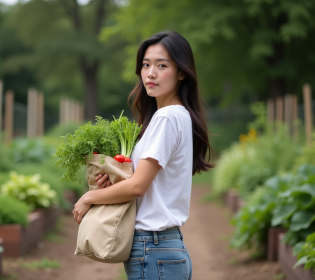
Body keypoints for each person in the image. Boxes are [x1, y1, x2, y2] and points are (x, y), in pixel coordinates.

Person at [72, 31, 214, 280]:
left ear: (182, 72)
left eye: (162, 65)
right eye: (146, 65)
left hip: (154, 249)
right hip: (161, 249)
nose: (151, 73)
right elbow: (142, 186)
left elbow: (138, 187)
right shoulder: (175, 116)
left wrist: (90, 197)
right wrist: (113, 184)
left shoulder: (168, 117)